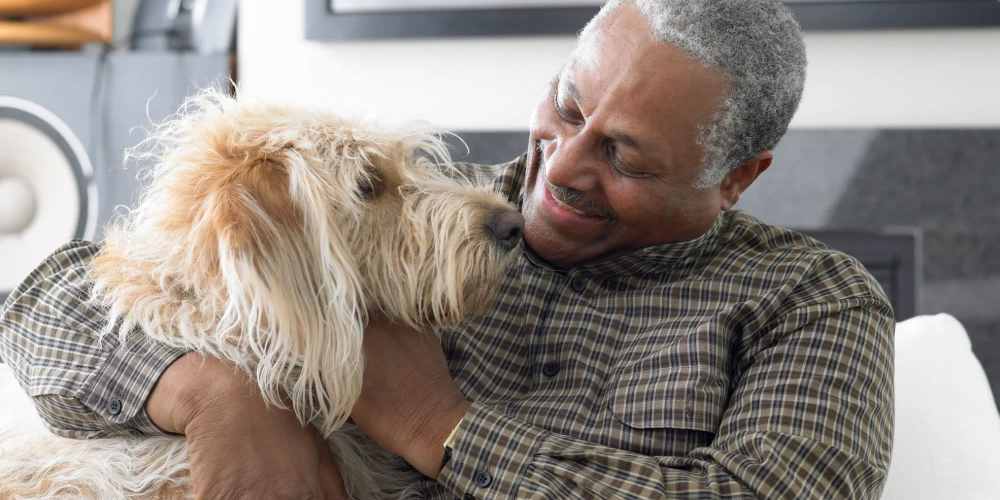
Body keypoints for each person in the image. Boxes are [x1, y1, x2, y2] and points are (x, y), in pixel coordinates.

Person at [0, 0, 894, 498]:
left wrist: (441, 429)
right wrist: (214, 392)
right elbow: (52, 300)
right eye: (569, 108)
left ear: (736, 177)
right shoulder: (427, 215)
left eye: (623, 155)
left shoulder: (809, 302)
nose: (561, 168)